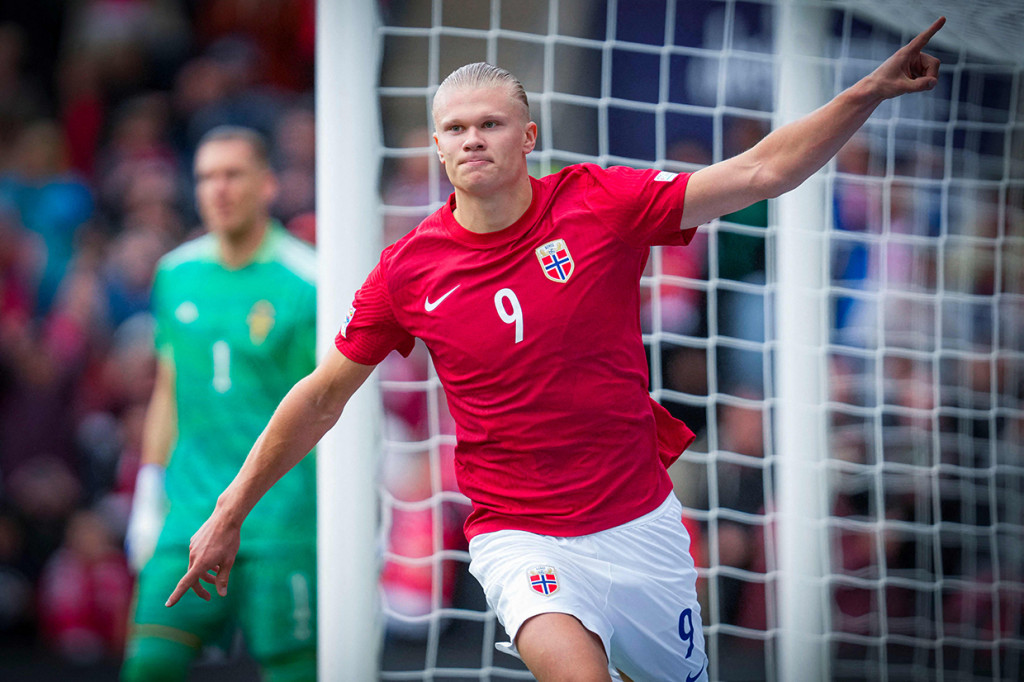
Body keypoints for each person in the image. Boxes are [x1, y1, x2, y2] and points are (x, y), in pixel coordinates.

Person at [167, 18, 945, 682]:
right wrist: (229, 509)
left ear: (528, 135)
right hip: (519, 534)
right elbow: (322, 394)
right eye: (456, 128)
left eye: (491, 123)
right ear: (437, 148)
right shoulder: (408, 269)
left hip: (639, 524)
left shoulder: (599, 203)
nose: (473, 138)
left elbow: (763, 169)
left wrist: (864, 93)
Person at [122, 126, 318, 682]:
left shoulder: (308, 280)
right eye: (207, 176)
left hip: (282, 523)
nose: (219, 189)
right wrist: (147, 491)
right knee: (146, 668)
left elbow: (327, 405)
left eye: (233, 174)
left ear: (268, 184)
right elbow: (167, 390)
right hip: (188, 518)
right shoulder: (175, 273)